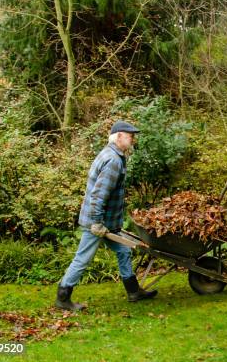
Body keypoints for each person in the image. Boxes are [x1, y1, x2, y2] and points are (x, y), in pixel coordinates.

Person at [55, 120, 157, 311]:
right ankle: (63, 297)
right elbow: (99, 195)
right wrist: (96, 222)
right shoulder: (113, 161)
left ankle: (133, 291)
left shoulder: (113, 154)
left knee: (124, 251)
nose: (133, 140)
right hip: (98, 223)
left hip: (108, 223)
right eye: (130, 136)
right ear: (119, 136)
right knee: (82, 259)